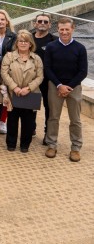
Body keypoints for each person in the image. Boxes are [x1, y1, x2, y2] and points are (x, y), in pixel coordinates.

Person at [43, 18, 87, 162]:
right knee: (53, 117)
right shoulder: (51, 46)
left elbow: (83, 71)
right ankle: (52, 145)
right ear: (58, 29)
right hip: (55, 86)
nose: (64, 32)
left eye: (67, 29)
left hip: (74, 87)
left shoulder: (80, 48)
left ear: (72, 29)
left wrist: (69, 87)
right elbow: (47, 68)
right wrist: (59, 85)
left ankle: (75, 148)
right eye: (61, 29)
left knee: (75, 119)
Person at [1, 30, 44, 153]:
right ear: (17, 43)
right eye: (21, 41)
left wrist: (28, 88)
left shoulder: (36, 59)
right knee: (12, 120)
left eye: (26, 41)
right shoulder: (9, 56)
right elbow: (4, 73)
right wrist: (15, 87)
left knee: (28, 121)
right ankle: (11, 143)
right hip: (13, 93)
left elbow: (40, 77)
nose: (23, 43)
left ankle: (25, 144)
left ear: (30, 44)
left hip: (30, 94)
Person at [0, 9, 17, 135]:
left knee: (6, 96)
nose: (0, 22)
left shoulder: (13, 36)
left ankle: (3, 121)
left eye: (2, 19)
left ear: (6, 21)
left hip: (8, 70)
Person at [32, 13, 56, 141]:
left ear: (50, 25)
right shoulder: (29, 39)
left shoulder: (54, 41)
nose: (42, 23)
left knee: (49, 106)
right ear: (35, 23)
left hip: (48, 79)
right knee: (31, 105)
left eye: (45, 22)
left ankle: (48, 133)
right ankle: (31, 128)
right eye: (40, 21)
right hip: (31, 79)